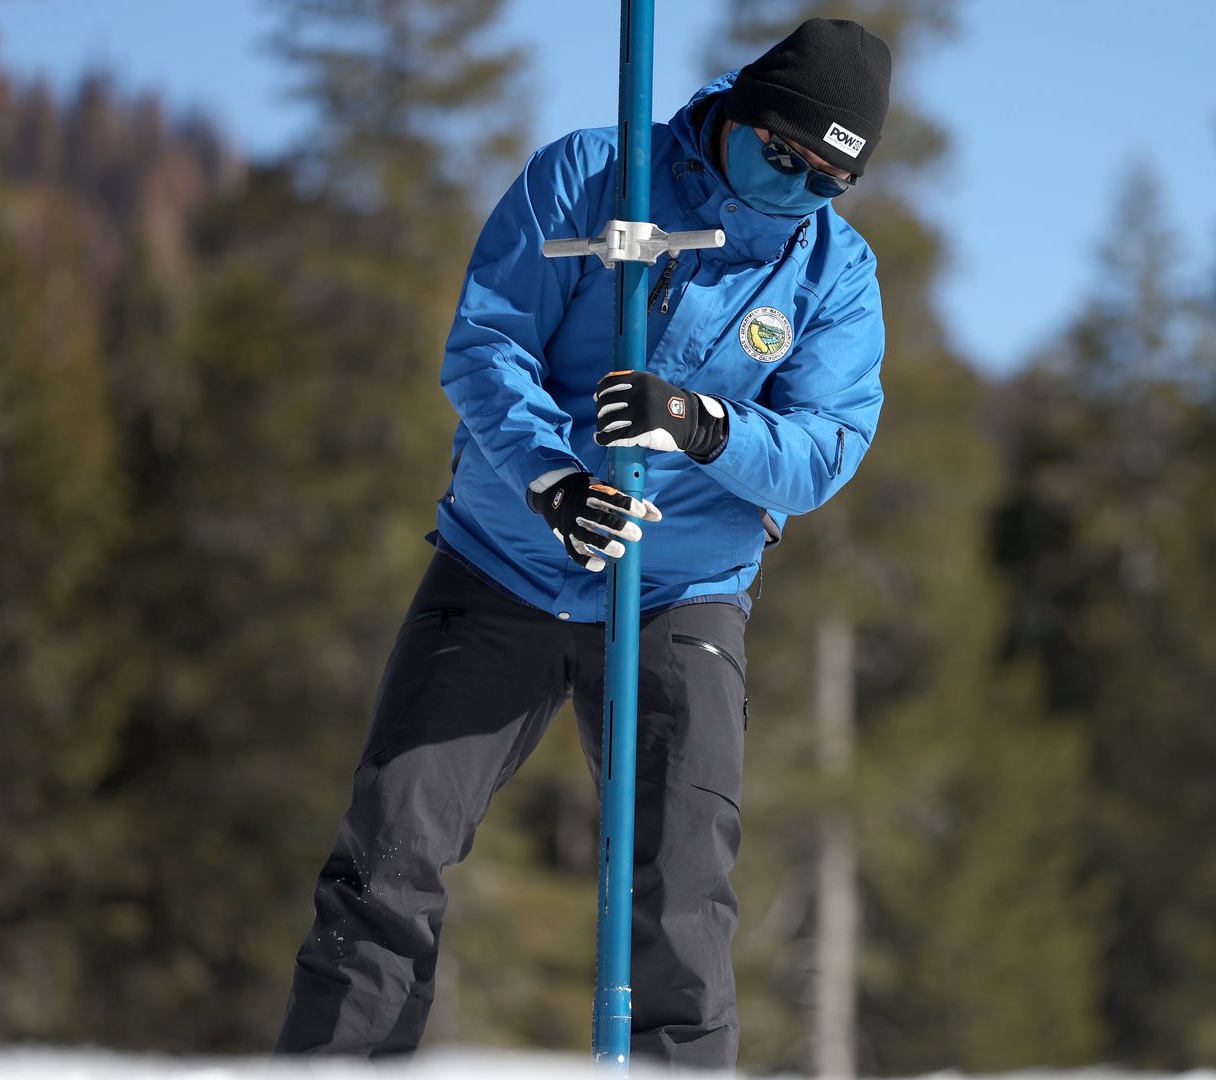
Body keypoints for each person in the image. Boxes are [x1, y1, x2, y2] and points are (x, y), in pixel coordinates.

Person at [273, 18, 892, 1068]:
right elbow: (486, 342)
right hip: (501, 565)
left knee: (682, 895)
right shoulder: (597, 175)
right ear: (737, 111)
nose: (787, 191)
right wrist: (550, 478)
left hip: (679, 593)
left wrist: (702, 424)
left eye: (822, 180)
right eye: (776, 157)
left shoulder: (833, 273)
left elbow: (825, 447)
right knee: (390, 855)